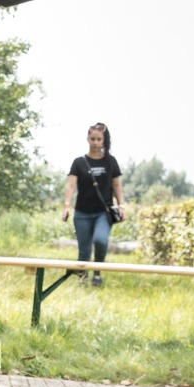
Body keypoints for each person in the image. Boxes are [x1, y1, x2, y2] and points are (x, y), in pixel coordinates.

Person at [62, 122, 125, 286]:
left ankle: (97, 273)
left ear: (104, 140)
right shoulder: (79, 162)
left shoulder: (110, 161)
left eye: (99, 139)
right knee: (84, 249)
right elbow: (70, 185)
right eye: (93, 139)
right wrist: (67, 206)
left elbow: (117, 185)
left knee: (100, 241)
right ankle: (82, 278)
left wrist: (121, 206)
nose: (96, 142)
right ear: (87, 139)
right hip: (82, 213)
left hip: (103, 213)